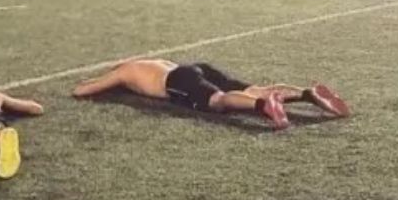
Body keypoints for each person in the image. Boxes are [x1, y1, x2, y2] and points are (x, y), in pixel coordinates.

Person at [72, 59, 351, 131]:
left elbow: (82, 90)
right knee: (248, 87)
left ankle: (262, 105)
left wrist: (102, 79)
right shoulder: (145, 61)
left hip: (176, 81)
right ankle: (305, 93)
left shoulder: (124, 71)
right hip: (194, 67)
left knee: (218, 102)